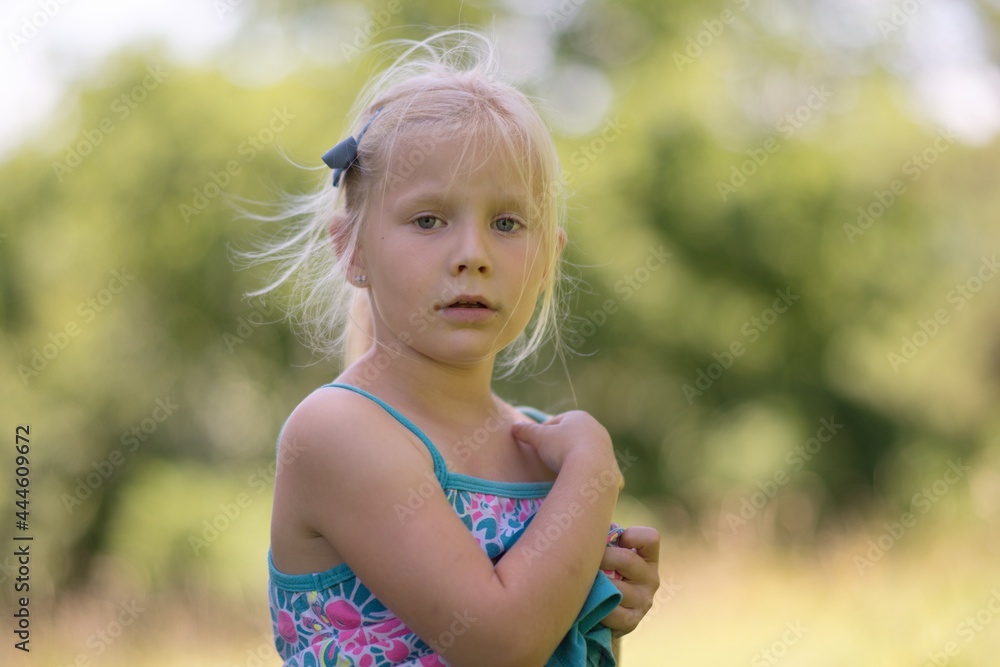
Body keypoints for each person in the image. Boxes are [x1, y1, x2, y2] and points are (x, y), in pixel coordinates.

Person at [257, 29, 660, 666]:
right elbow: (500, 642)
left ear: (548, 258)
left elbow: (544, 628)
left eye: (506, 223)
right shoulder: (339, 430)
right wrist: (593, 474)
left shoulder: (537, 442)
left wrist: (604, 599)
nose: (472, 256)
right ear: (352, 249)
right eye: (428, 220)